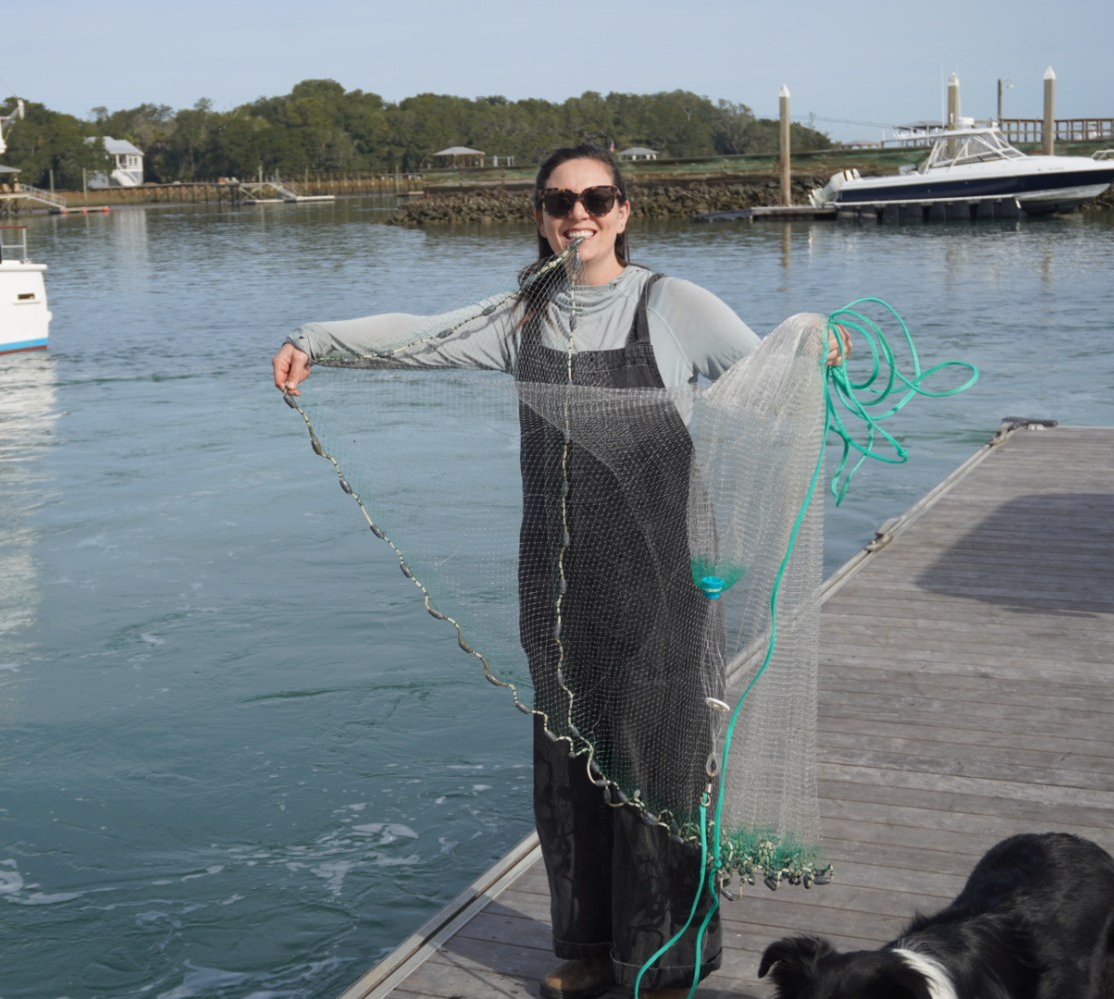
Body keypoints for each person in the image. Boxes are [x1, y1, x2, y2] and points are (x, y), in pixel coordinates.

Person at [273, 144, 844, 999]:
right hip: (557, 588)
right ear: (539, 218)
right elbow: (419, 336)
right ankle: (585, 947)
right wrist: (312, 339)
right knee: (569, 773)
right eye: (559, 201)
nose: (578, 214)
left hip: (662, 585)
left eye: (596, 198)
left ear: (623, 211)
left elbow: (765, 373)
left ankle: (664, 961)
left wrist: (814, 350)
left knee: (659, 771)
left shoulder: (674, 305)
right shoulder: (522, 316)